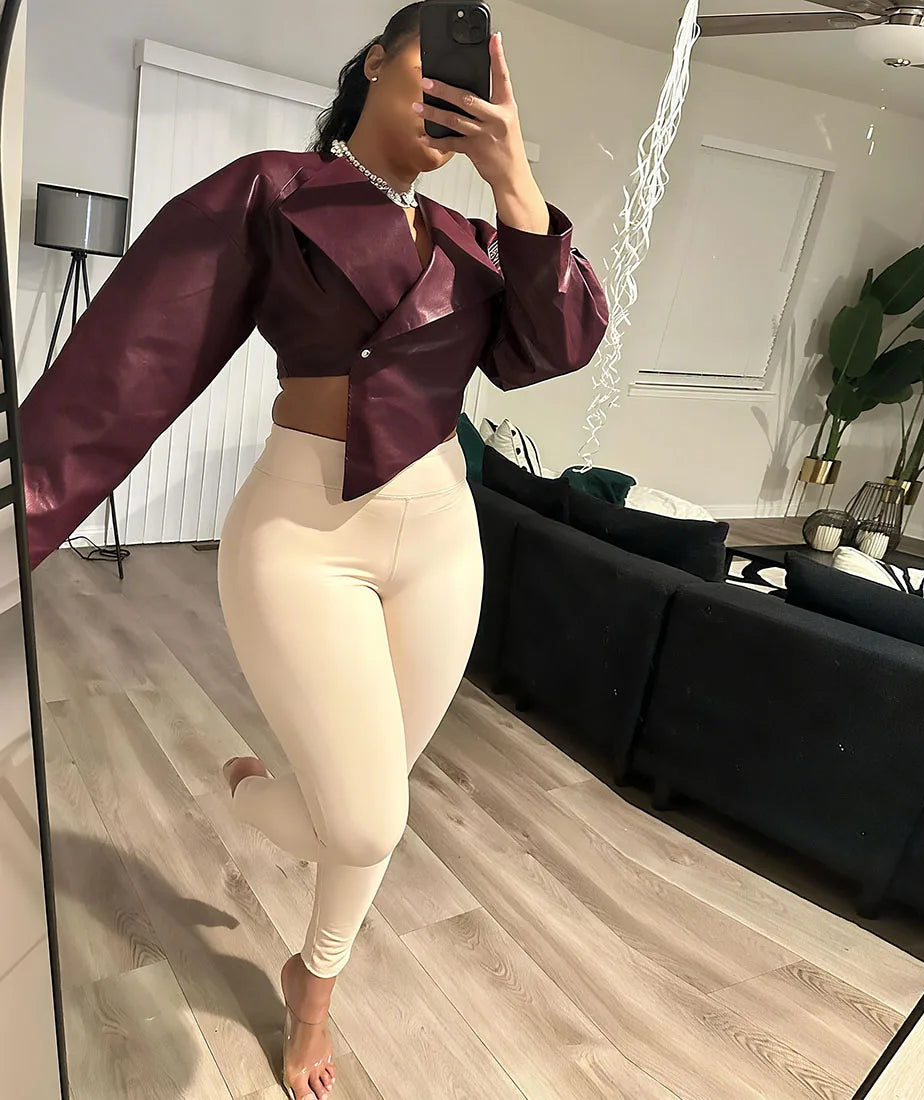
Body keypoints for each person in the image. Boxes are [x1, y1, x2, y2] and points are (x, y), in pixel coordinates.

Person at [16, 5, 609, 1097]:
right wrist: (21, 515)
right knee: (365, 815)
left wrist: (514, 178)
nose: (457, 100)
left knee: (372, 804)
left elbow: (554, 347)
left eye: (479, 88)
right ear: (376, 61)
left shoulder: (477, 240)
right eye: (439, 68)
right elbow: (132, 361)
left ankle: (314, 982)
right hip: (303, 531)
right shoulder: (273, 190)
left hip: (443, 534)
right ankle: (251, 791)